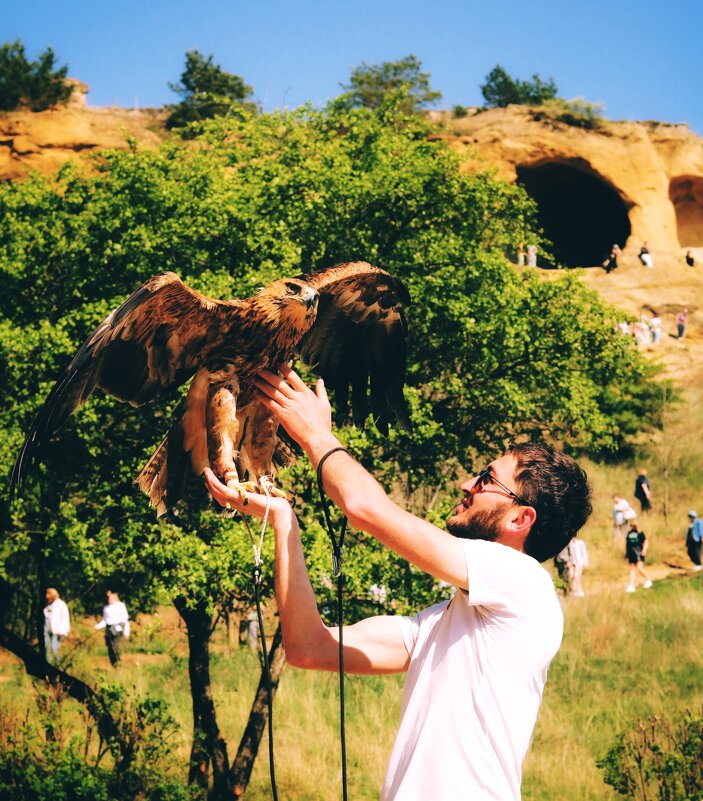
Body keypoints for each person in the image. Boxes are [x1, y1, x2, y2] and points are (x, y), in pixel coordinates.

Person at [204, 364, 593, 801]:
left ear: (521, 518)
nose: (467, 484)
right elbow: (308, 648)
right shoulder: (443, 624)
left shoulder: (527, 584)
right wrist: (283, 522)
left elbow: (365, 508)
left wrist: (317, 437)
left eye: (486, 480)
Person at [95, 591, 130, 667]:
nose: (109, 598)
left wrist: (127, 632)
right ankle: (114, 665)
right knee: (110, 648)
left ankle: (118, 663)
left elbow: (125, 620)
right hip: (109, 630)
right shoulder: (106, 608)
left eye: (110, 596)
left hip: (117, 629)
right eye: (107, 597)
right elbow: (105, 620)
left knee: (116, 647)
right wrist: (97, 626)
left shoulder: (120, 606)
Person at [43, 587, 70, 665]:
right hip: (47, 630)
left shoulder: (61, 605)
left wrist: (62, 631)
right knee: (46, 649)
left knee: (54, 649)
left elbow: (65, 619)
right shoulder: (47, 605)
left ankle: (58, 666)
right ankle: (48, 666)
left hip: (57, 632)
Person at [625, 521, 652, 592]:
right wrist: (627, 553)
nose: (633, 526)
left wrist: (644, 550)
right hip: (631, 553)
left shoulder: (640, 533)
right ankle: (631, 585)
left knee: (639, 568)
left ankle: (648, 579)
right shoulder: (629, 533)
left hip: (639, 553)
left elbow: (645, 542)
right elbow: (627, 544)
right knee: (632, 569)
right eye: (632, 525)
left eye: (635, 525)